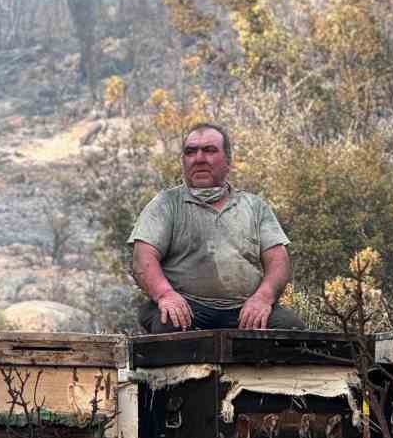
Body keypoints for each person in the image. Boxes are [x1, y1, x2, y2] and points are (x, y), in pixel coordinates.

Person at [128, 122, 305, 332]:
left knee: (292, 332)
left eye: (210, 150)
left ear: (228, 162)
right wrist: (165, 295)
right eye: (191, 152)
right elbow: (143, 259)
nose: (200, 158)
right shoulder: (165, 204)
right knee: (169, 328)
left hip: (245, 310)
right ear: (183, 161)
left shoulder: (254, 207)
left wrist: (263, 298)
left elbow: (278, 261)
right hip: (186, 308)